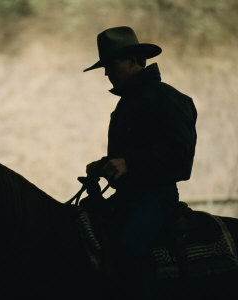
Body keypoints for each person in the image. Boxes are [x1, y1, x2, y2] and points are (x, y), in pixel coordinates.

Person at [83, 26, 197, 299]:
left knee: (128, 249)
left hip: (157, 198)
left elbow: (181, 158)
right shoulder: (128, 104)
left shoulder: (169, 99)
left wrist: (129, 164)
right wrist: (103, 166)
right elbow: (129, 156)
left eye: (111, 65)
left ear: (133, 61)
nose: (108, 73)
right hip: (129, 199)